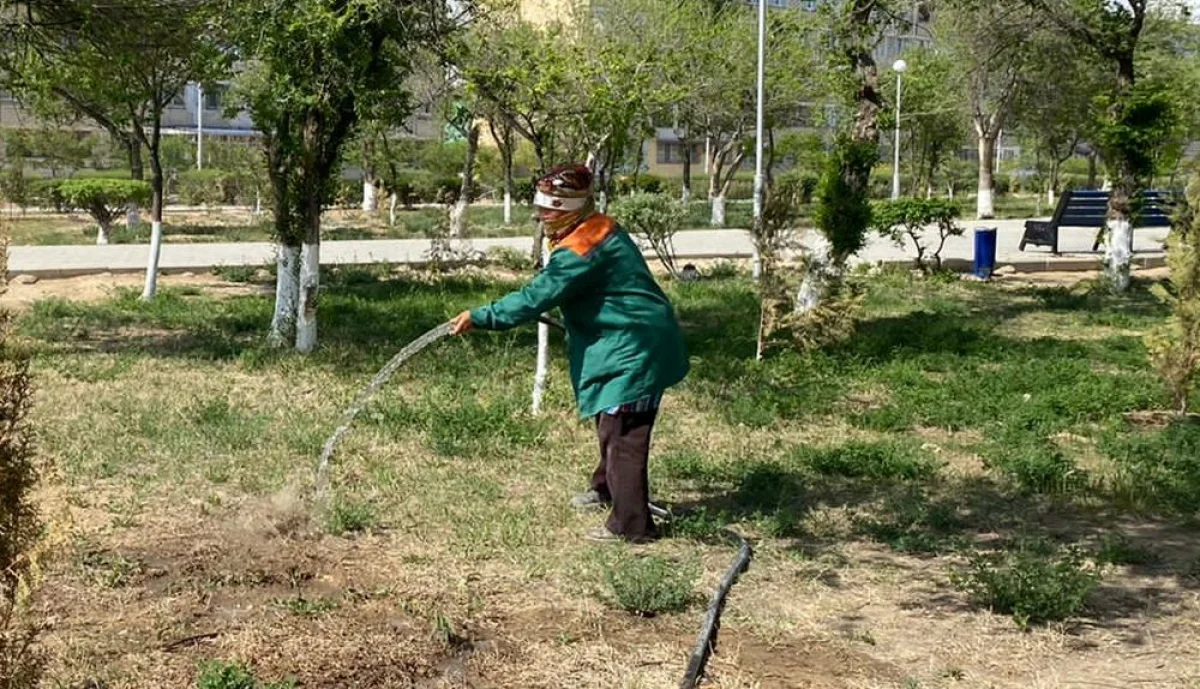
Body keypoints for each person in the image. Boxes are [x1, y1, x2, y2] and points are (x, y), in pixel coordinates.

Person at [449, 164, 689, 543]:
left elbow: (535, 297)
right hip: (624, 338)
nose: (542, 216)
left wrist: (481, 317)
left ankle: (632, 526)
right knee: (611, 419)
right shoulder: (598, 226)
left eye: (550, 210)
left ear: (571, 209)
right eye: (541, 208)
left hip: (635, 345)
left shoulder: (580, 249)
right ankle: (606, 489)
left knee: (623, 430)